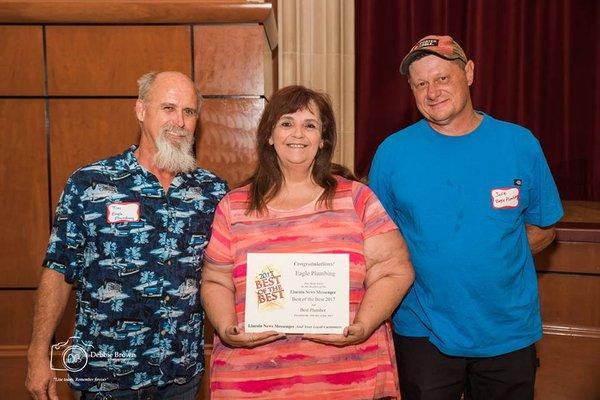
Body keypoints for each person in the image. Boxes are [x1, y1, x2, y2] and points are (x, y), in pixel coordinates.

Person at [369, 35, 564, 400]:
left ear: (469, 72)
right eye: (420, 83)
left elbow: (544, 227)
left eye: (442, 77)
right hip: (422, 332)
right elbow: (377, 242)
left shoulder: (520, 144)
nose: (432, 91)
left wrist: (490, 254)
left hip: (507, 331)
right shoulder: (392, 154)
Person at [201, 85, 415, 399]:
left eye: (310, 125)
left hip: (347, 376)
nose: (297, 133)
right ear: (269, 135)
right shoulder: (234, 206)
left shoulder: (358, 199)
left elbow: (395, 271)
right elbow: (216, 279)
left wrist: (364, 324)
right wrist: (227, 328)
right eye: (286, 123)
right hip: (254, 381)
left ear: (323, 138)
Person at [25, 71, 227, 400]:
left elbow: (225, 274)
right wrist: (37, 353)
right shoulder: (90, 185)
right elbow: (59, 271)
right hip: (106, 378)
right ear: (141, 110)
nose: (179, 121)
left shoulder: (212, 191)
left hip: (180, 377)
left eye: (188, 112)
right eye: (168, 108)